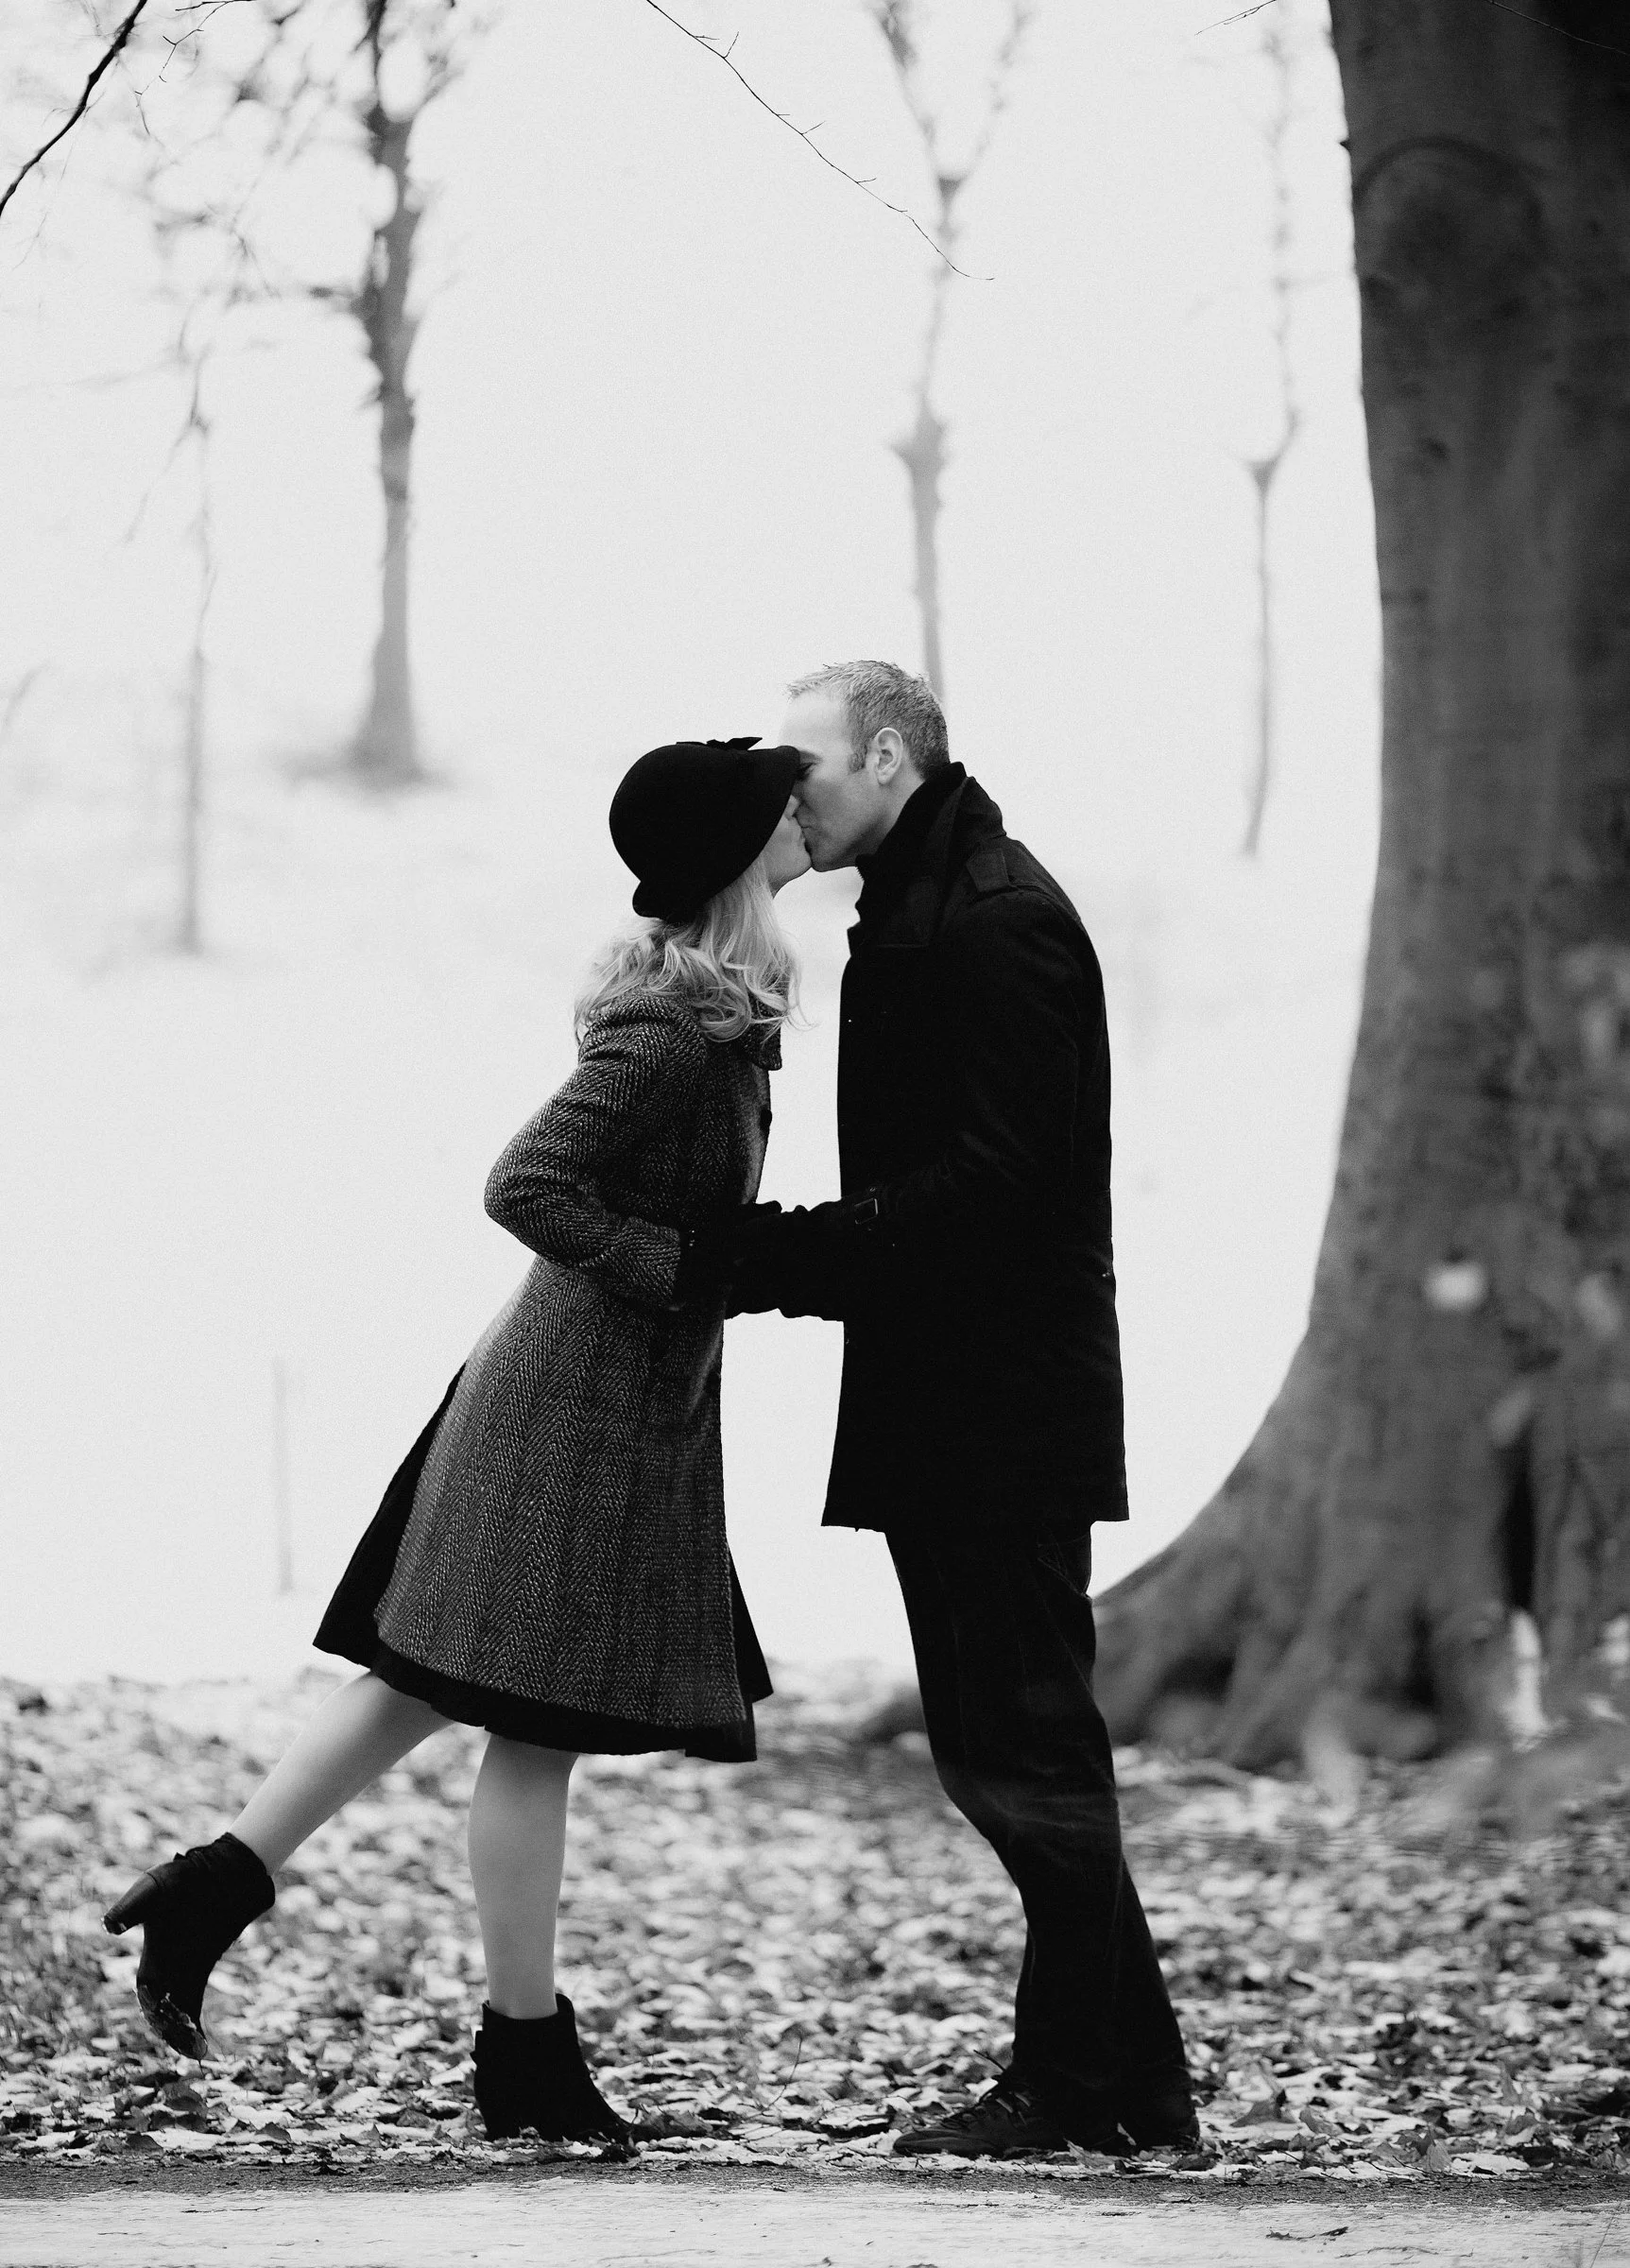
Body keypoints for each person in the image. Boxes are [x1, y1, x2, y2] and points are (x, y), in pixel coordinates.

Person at [102, 738, 811, 2149]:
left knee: (421, 1677)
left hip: (585, 1396)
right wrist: (673, 1268)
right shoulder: (672, 1030)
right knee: (529, 1733)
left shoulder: (709, 1004)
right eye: (786, 806)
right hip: (577, 1415)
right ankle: (524, 2059)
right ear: (743, 850)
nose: (807, 818)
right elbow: (526, 1182)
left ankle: (212, 1885)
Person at [725, 661, 1198, 2159]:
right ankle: (1127, 2093)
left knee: (1023, 1755)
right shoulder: (921, 906)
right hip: (956, 1392)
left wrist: (784, 1252)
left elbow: (1001, 1188)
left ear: (884, 754)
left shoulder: (997, 921)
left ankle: (1079, 2088)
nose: (779, 793)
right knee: (1010, 1752)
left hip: (1002, 1404)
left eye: (799, 767)